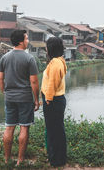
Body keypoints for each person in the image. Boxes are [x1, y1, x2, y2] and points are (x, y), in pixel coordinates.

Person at [0, 30, 39, 166]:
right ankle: (20, 161)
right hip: (25, 98)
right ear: (21, 41)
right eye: (26, 39)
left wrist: (5, 91)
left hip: (9, 98)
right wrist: (37, 100)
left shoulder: (5, 57)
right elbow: (34, 81)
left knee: (9, 128)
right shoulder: (29, 58)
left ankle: (7, 159)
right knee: (24, 128)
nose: (28, 41)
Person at [41, 37, 67, 167]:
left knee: (55, 130)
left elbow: (53, 83)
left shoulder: (56, 63)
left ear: (51, 48)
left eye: (47, 46)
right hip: (54, 100)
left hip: (53, 100)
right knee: (54, 129)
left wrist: (48, 99)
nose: (45, 49)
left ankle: (57, 160)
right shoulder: (56, 61)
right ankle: (56, 158)